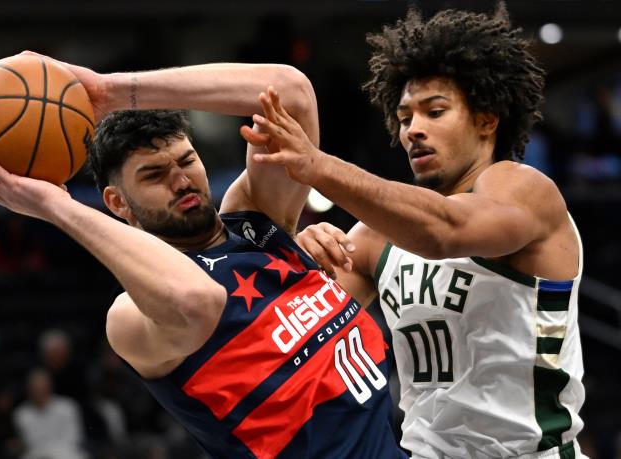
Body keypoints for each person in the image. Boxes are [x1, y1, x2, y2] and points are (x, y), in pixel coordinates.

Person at [0, 55, 405, 458]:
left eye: (186, 161)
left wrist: (113, 91)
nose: (181, 180)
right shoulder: (130, 318)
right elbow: (196, 299)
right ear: (117, 203)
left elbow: (290, 92)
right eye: (154, 175)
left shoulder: (256, 216)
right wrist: (56, 206)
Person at [245, 4, 587, 459]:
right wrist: (298, 253)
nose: (414, 131)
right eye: (405, 118)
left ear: (487, 120)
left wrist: (318, 167)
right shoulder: (375, 238)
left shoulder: (525, 190)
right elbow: (289, 335)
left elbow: (446, 231)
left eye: (435, 112)